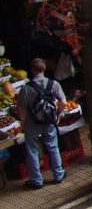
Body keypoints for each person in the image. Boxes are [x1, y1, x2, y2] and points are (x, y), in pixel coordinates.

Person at [17, 58, 66, 189]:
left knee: (32, 150)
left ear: (32, 70)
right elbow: (63, 102)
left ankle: (36, 180)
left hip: (32, 124)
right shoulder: (53, 84)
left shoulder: (25, 89)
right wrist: (58, 115)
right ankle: (58, 174)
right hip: (49, 121)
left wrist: (21, 126)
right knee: (53, 146)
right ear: (44, 68)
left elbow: (23, 110)